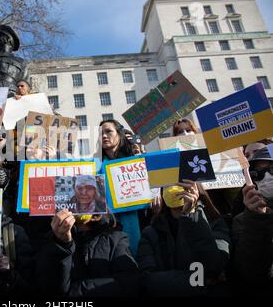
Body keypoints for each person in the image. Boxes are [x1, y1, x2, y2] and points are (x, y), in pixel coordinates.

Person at [137, 180, 230, 296]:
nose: (177, 186)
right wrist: (198, 282)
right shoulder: (151, 232)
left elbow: (215, 267)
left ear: (197, 188)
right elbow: (147, 280)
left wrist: (192, 215)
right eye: (170, 181)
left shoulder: (215, 223)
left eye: (182, 181)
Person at [35, 209, 141, 296]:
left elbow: (128, 282)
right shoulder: (51, 240)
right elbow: (49, 289)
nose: (83, 195)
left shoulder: (116, 238)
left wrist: (76, 291)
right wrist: (62, 244)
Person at [231, 147, 273, 296]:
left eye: (272, 170)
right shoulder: (242, 220)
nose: (268, 176)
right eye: (260, 173)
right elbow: (251, 272)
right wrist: (257, 218)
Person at [94, 119, 140, 255]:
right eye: (100, 133)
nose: (104, 136)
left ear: (119, 134)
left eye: (108, 131)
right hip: (109, 226)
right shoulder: (95, 166)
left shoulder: (136, 159)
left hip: (139, 220)